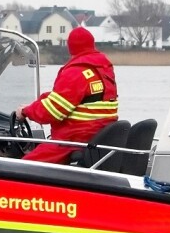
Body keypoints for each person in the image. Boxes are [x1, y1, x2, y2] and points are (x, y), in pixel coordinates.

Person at [14, 26, 118, 164]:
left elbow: (52, 111)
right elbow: (80, 98)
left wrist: (25, 111)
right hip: (97, 138)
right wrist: (38, 103)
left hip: (72, 141)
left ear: (70, 48)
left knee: (21, 166)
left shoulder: (75, 72)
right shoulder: (102, 69)